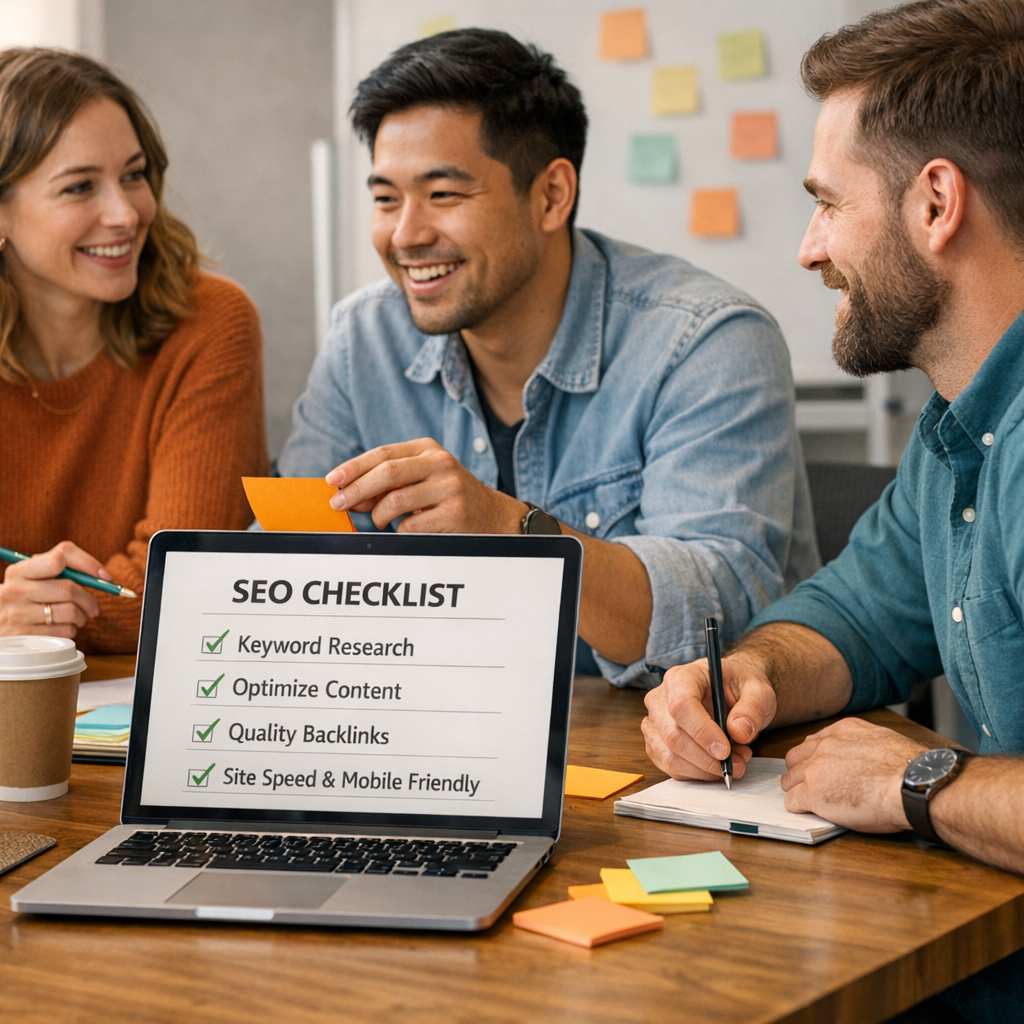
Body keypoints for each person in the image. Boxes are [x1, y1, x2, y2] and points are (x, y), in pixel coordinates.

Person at [642, 2, 1024, 1019]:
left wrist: (918, 781)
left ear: (935, 202)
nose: (810, 251)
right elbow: (856, 614)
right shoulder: (960, 429)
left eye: (827, 202)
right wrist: (751, 674)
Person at [278, 29, 818, 687]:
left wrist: (509, 528)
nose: (405, 234)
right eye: (386, 198)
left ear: (551, 196)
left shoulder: (707, 341)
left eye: (443, 195)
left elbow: (716, 615)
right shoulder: (362, 339)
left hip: (664, 757)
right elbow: (280, 564)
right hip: (434, 742)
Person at [0, 49, 269, 654]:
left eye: (134, 174)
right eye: (79, 187)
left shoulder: (210, 324)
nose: (125, 214)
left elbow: (190, 580)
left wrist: (34, 618)